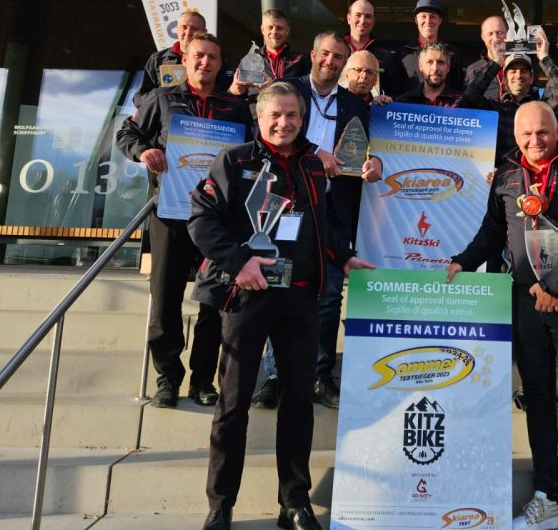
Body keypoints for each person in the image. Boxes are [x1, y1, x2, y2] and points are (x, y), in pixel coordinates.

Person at [188, 82, 374, 530]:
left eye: (292, 115)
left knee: (298, 403)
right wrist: (238, 262)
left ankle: (294, 502)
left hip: (301, 298)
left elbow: (323, 222)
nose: (284, 123)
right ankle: (220, 504)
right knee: (233, 403)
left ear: (302, 118)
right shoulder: (235, 161)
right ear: (259, 117)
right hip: (247, 295)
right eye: (276, 115)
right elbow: (201, 219)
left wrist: (345, 256)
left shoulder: (313, 165)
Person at [446, 101, 558, 530]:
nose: (535, 140)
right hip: (524, 299)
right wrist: (462, 261)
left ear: (557, 131)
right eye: (526, 134)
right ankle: (547, 496)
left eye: (543, 132)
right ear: (515, 137)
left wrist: (554, 285)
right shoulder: (506, 176)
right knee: (536, 398)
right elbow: (492, 231)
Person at [116, 33, 254, 409]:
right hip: (171, 214)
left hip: (218, 220)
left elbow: (253, 151)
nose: (205, 62)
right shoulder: (162, 99)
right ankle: (167, 378)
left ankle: (202, 381)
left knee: (213, 301)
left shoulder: (234, 108)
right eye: (199, 56)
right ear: (186, 60)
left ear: (220, 64)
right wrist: (143, 150)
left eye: (212, 57)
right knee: (165, 298)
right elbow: (127, 132)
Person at [282, 32, 382, 409]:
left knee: (328, 298)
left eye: (338, 57)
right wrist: (314, 152)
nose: (331, 61)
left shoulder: (354, 104)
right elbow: (270, 134)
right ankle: (277, 374)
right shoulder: (288, 90)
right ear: (312, 55)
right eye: (325, 54)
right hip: (287, 207)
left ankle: (320, 375)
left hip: (332, 212)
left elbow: (370, 150)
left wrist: (375, 163)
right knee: (281, 290)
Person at [134, 10, 233, 106]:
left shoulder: (215, 60)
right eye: (183, 27)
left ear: (204, 32)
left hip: (202, 115)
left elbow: (227, 95)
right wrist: (162, 103)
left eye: (194, 29)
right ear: (176, 30)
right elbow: (139, 98)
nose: (188, 32)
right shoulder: (158, 59)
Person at [390, 0, 465, 95]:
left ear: (440, 21)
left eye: (432, 16)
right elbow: (393, 92)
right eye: (423, 16)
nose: (428, 21)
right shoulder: (400, 55)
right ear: (416, 20)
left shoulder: (454, 55)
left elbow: (460, 90)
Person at [343, 0, 397, 96]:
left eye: (368, 16)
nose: (362, 21)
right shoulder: (335, 51)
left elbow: (393, 91)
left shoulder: (385, 56)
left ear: (373, 21)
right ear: (349, 18)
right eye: (358, 15)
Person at [396, 42, 463, 107]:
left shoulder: (462, 102)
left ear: (448, 68)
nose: (435, 68)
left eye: (440, 62)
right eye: (430, 62)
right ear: (420, 66)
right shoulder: (404, 102)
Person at [463, 14, 510, 102]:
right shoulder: (472, 71)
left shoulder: (521, 65)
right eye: (490, 34)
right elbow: (468, 100)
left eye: (499, 33)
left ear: (508, 34)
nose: (495, 38)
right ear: (483, 37)